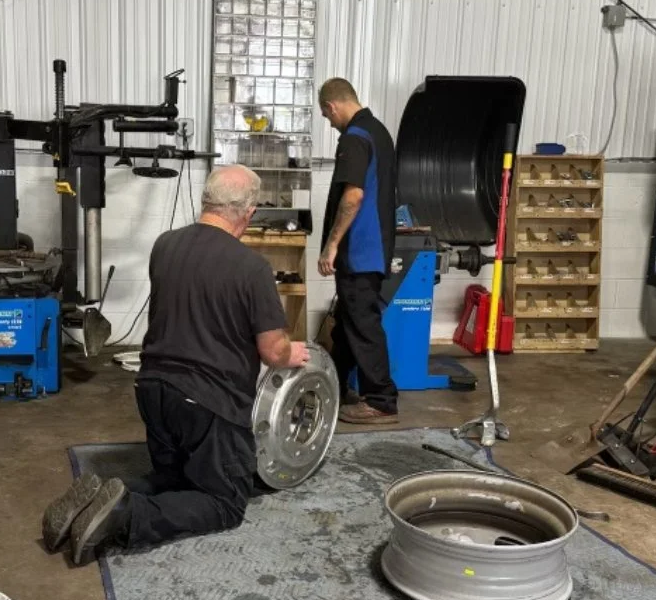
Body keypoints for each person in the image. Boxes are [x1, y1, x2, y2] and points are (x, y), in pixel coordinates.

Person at [47, 164, 310, 566]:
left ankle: (98, 496)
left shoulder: (165, 245)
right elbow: (273, 352)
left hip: (152, 393)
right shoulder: (252, 268)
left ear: (207, 201)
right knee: (224, 503)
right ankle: (125, 516)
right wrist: (293, 351)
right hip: (207, 406)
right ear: (249, 211)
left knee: (176, 480)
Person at [316, 77, 398, 425]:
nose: (329, 123)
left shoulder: (354, 137)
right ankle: (335, 383)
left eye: (326, 116)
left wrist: (331, 244)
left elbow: (354, 196)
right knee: (349, 322)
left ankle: (380, 400)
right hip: (373, 248)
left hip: (360, 251)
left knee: (363, 324)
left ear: (332, 107)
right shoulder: (379, 132)